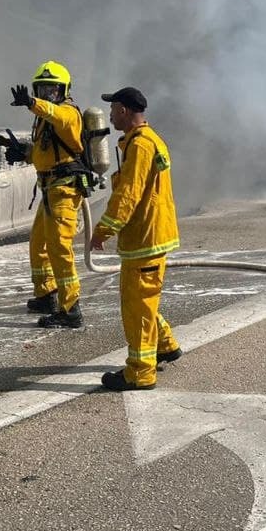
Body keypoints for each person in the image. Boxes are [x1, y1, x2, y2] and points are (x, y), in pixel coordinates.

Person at [91, 87, 182, 392]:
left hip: (144, 238)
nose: (110, 115)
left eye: (114, 109)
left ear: (125, 111)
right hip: (152, 235)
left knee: (137, 306)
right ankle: (166, 345)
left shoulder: (141, 146)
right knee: (144, 300)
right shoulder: (148, 139)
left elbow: (129, 193)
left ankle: (140, 372)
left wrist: (103, 230)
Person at [1, 61, 86, 329]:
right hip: (50, 188)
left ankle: (70, 309)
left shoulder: (68, 113)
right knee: (38, 244)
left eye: (52, 89)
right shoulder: (43, 121)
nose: (48, 93)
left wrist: (32, 102)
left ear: (64, 90)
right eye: (43, 88)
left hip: (64, 188)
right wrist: (19, 151)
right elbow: (43, 154)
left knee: (60, 250)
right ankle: (47, 295)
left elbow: (57, 115)